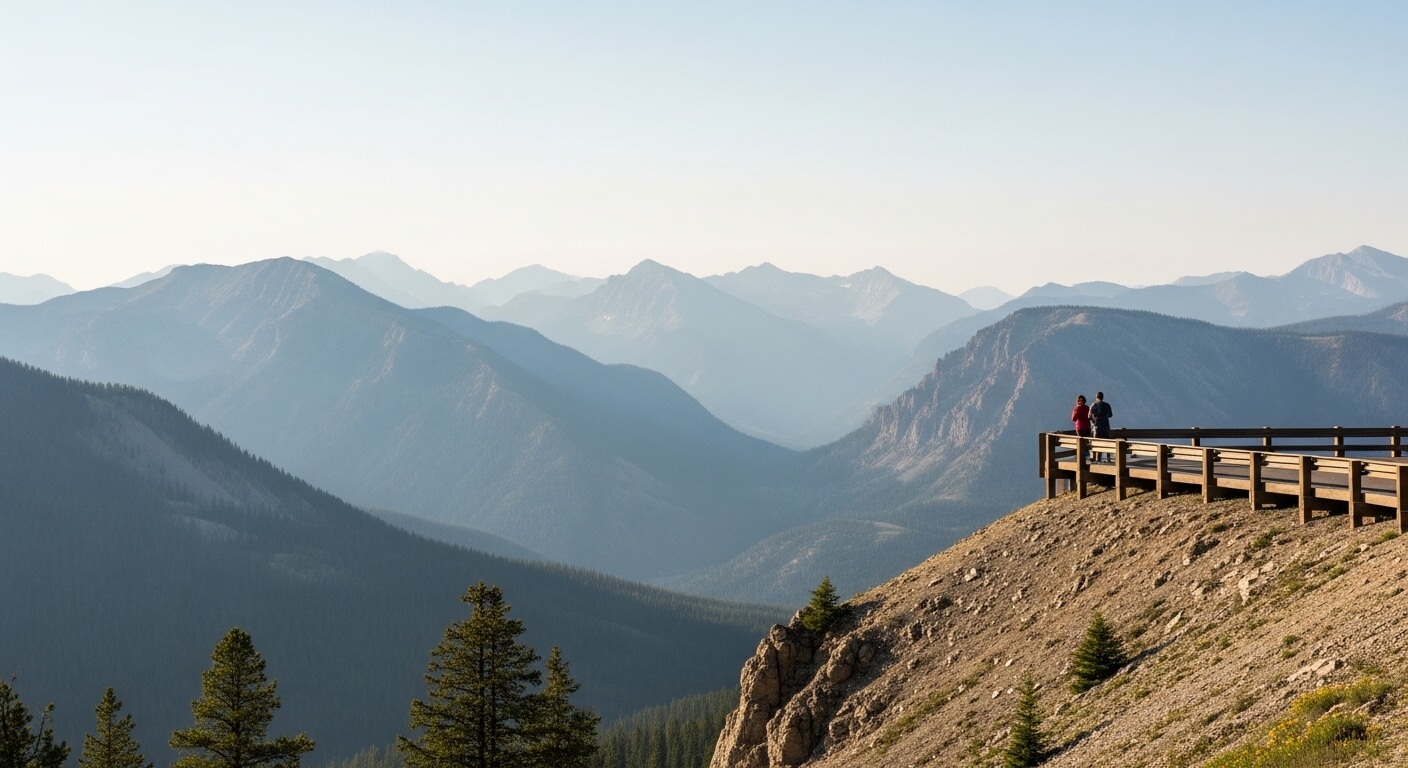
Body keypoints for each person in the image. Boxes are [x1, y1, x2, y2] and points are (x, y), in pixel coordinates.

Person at [1090, 391, 1114, 462]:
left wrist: (1094, 418)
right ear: (1103, 397)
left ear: (1096, 397)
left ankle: (1098, 459)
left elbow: (1089, 416)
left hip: (1097, 427)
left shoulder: (1094, 405)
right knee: (1107, 442)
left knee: (1097, 443)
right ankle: (1108, 458)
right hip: (1106, 426)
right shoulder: (1107, 405)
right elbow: (1110, 415)